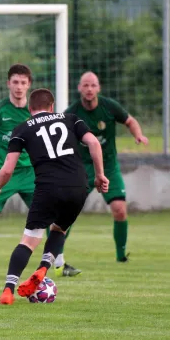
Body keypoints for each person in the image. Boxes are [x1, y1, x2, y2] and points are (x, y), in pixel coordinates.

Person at [0, 64, 82, 278]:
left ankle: (59, 264)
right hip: (4, 172)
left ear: (29, 85)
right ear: (8, 83)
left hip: (31, 174)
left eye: (23, 83)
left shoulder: (37, 113)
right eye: (15, 82)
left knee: (57, 218)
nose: (19, 87)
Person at [0, 88, 109, 305]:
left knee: (29, 240)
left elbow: (7, 169)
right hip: (78, 186)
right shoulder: (71, 119)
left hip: (48, 188)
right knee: (59, 229)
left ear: (30, 108)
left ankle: (8, 290)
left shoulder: (22, 129)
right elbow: (93, 143)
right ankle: (43, 269)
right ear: (52, 107)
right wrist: (100, 175)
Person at [56, 72, 149, 269]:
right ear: (79, 88)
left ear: (98, 88)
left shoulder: (109, 106)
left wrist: (138, 135)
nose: (89, 89)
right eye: (85, 85)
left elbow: (130, 121)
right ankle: (54, 256)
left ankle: (121, 256)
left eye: (93, 85)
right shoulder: (72, 112)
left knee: (119, 210)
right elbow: (58, 135)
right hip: (81, 168)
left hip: (108, 166)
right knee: (66, 213)